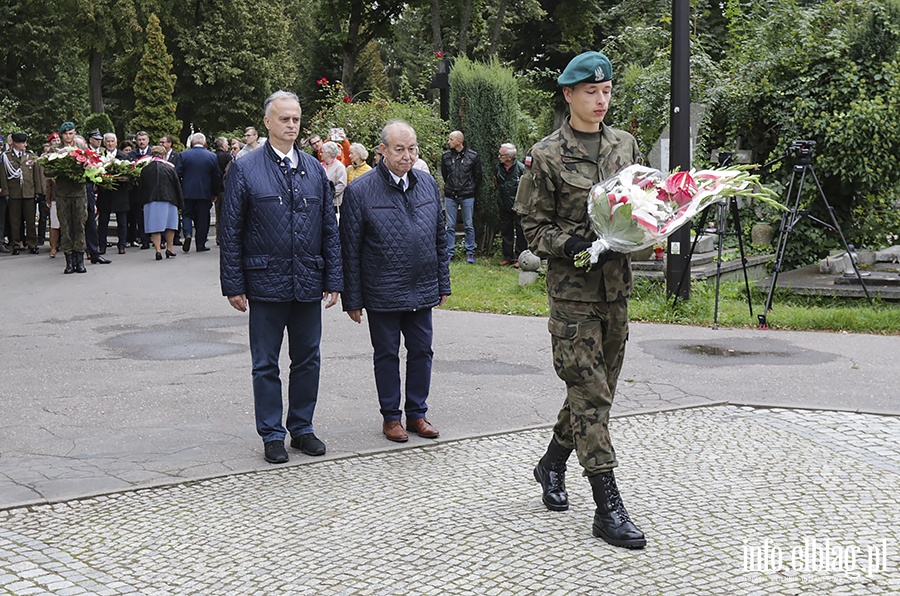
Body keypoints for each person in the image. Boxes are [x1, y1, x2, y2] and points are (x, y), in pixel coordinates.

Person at [514, 51, 646, 549]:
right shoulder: (547, 154)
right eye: (591, 92)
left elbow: (642, 202)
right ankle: (607, 506)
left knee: (598, 391)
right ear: (568, 94)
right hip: (573, 296)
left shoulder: (625, 144)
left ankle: (550, 462)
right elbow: (532, 227)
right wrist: (567, 245)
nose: (601, 99)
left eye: (607, 91)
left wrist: (651, 225)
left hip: (616, 291)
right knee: (591, 395)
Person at [220, 90, 342, 465]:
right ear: (268, 123)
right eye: (285, 119)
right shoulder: (245, 168)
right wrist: (234, 284)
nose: (292, 125)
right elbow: (231, 229)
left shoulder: (313, 169)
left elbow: (328, 227)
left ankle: (302, 428)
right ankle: (272, 434)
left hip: (307, 279)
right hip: (265, 281)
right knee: (265, 363)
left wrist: (334, 277)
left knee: (308, 359)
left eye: (296, 119)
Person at [340, 120, 451, 443]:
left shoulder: (428, 184)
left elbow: (440, 238)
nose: (407, 156)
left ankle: (417, 413)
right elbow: (350, 248)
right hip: (382, 289)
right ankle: (391, 418)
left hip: (421, 286)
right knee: (386, 354)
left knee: (422, 351)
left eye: (412, 149)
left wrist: (443, 283)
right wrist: (353, 299)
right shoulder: (360, 191)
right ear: (382, 151)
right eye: (400, 149)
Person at [52, 122, 89, 273]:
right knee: (66, 227)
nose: (68, 136)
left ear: (75, 133)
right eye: (66, 133)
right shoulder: (55, 150)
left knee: (79, 225)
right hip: (62, 193)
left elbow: (91, 165)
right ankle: (69, 261)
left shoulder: (82, 148)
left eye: (71, 133)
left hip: (79, 192)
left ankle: (80, 260)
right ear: (61, 135)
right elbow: (48, 172)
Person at [441, 130, 481, 264]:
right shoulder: (446, 156)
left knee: (468, 224)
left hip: (467, 195)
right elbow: (445, 174)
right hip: (451, 194)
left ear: (459, 141)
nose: (448, 142)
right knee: (450, 225)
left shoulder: (473, 156)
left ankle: (470, 251)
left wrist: (470, 189)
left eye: (451, 139)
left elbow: (477, 176)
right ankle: (449, 252)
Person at [177, 133, 221, 253]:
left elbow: (178, 173)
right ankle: (200, 244)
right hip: (204, 192)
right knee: (203, 218)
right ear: (204, 143)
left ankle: (187, 234)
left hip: (187, 192)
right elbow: (216, 176)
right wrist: (214, 192)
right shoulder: (212, 156)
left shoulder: (184, 155)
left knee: (186, 215)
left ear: (192, 142)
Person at [2, 133, 45, 255]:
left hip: (28, 193)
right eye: (22, 143)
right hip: (14, 193)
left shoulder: (30, 156)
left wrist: (38, 192)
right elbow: (3, 176)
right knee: (15, 221)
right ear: (15, 143)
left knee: (30, 220)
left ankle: (32, 244)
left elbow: (35, 176)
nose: (25, 145)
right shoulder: (6, 157)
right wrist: (5, 192)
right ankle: (15, 244)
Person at [140, 145, 183, 260]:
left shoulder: (145, 169)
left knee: (155, 226)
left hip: (151, 200)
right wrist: (180, 202)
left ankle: (158, 250)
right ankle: (169, 248)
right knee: (170, 225)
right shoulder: (170, 168)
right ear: (164, 155)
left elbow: (142, 187)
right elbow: (177, 186)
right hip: (169, 199)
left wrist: (141, 202)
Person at [97, 133, 130, 254]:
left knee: (122, 221)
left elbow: (130, 174)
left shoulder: (124, 157)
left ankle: (122, 245)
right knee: (103, 221)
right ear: (104, 143)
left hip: (120, 193)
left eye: (112, 141)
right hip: (105, 193)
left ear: (116, 143)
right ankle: (102, 246)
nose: (110, 144)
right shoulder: (99, 156)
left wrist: (124, 178)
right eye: (108, 141)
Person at [495, 143, 526, 267]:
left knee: (520, 232)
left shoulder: (521, 169)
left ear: (509, 157)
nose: (499, 157)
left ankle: (520, 257)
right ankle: (508, 257)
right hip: (504, 205)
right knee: (506, 231)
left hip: (518, 206)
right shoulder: (499, 168)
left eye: (501, 155)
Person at [321, 141, 347, 212]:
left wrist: (329, 194)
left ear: (329, 154)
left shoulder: (339, 166)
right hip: (322, 203)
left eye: (322, 152)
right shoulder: (320, 166)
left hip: (335, 204)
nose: (320, 154)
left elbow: (342, 185)